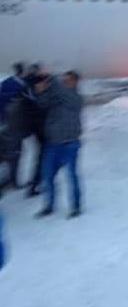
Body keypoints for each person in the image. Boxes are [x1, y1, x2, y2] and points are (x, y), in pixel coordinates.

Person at [34, 71, 83, 218]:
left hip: (70, 144)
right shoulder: (57, 97)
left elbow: (64, 94)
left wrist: (53, 79)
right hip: (52, 144)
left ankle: (75, 207)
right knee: (47, 176)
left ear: (75, 82)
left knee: (71, 176)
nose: (65, 82)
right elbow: (42, 104)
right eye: (64, 80)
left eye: (67, 80)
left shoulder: (76, 98)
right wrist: (41, 91)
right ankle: (48, 206)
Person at [21, 63, 47, 197]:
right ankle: (35, 184)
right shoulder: (34, 87)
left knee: (40, 155)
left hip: (33, 127)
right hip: (40, 127)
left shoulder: (25, 85)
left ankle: (37, 181)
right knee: (43, 155)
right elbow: (39, 105)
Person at [0, 62, 27, 189]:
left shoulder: (5, 82)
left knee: (3, 153)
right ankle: (13, 182)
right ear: (22, 72)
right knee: (15, 155)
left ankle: (7, 180)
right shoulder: (22, 86)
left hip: (3, 125)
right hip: (14, 126)